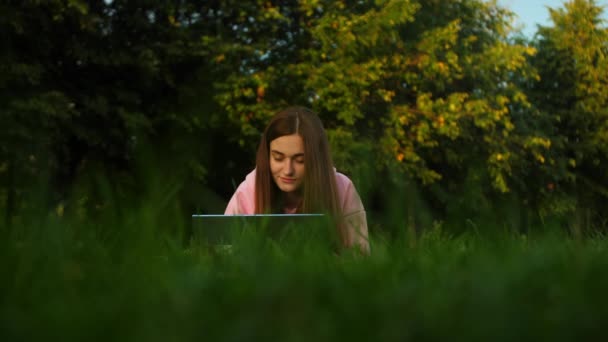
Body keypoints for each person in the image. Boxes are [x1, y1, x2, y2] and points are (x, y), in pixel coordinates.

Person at [225, 106, 370, 253]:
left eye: (300, 160)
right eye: (278, 158)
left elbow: (360, 259)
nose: (288, 170)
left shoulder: (342, 189)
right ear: (267, 156)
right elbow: (224, 254)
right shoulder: (249, 190)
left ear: (317, 160)